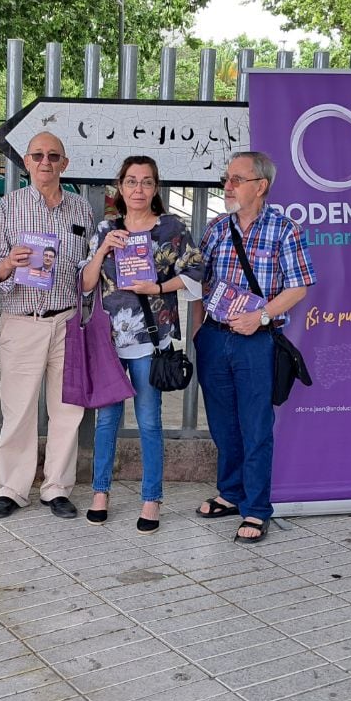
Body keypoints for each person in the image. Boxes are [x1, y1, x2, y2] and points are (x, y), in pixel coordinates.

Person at [193, 150, 316, 543]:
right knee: (223, 423)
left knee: (256, 426)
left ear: (260, 186)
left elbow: (299, 286)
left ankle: (257, 509)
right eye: (226, 179)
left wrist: (260, 316)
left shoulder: (285, 230)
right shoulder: (215, 228)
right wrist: (199, 331)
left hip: (256, 341)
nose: (227, 186)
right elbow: (199, 281)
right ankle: (230, 493)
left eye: (236, 180)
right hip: (215, 337)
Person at [81, 156, 203, 533]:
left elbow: (197, 271)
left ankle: (151, 498)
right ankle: (100, 492)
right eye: (131, 181)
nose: (138, 189)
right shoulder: (105, 228)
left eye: (146, 182)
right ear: (119, 186)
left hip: (151, 341)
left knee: (149, 422)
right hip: (110, 340)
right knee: (107, 422)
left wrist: (160, 287)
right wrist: (103, 250)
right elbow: (85, 284)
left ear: (156, 188)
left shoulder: (171, 229)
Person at [0, 132, 94, 520]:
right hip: (22, 320)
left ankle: (57, 488)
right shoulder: (10, 206)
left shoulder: (81, 210)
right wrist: (9, 263)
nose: (45, 162)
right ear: (26, 163)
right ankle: (12, 489)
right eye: (37, 156)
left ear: (64, 163)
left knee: (67, 409)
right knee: (18, 410)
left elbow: (88, 266)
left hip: (66, 319)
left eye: (53, 156)